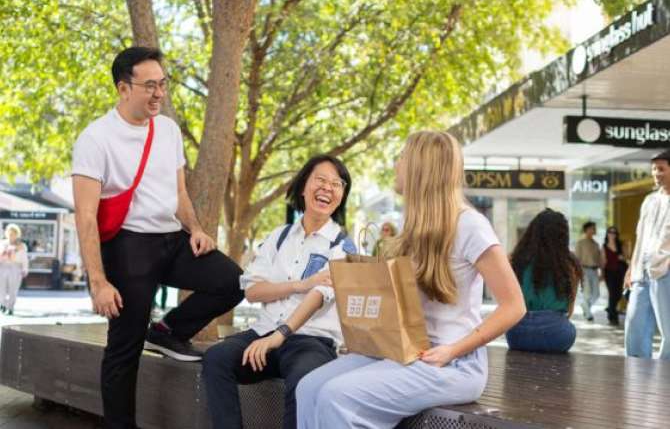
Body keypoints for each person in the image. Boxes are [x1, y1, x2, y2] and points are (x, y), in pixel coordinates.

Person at [295, 130, 526, 428]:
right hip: (406, 351)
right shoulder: (414, 227)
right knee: (308, 387)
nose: (396, 164)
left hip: (454, 363)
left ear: (420, 167)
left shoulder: (470, 225)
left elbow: (514, 306)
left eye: (402, 157)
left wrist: (453, 350)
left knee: (336, 396)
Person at [71, 47, 244, 428]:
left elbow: (178, 192)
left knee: (233, 281)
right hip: (128, 247)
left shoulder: (167, 129)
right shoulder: (95, 138)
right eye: (149, 86)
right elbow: (85, 216)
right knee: (125, 348)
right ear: (123, 88)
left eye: (163, 84)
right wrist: (98, 282)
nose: (159, 93)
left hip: (172, 239)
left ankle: (168, 331)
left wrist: (195, 229)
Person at [202, 155, 356, 429]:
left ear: (342, 196)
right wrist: (300, 284)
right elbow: (253, 291)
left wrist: (280, 334)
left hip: (311, 341)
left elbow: (319, 296)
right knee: (216, 358)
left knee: (304, 381)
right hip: (263, 332)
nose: (327, 188)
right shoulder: (279, 236)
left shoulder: (343, 247)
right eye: (321, 180)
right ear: (303, 186)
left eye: (337, 184)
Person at [505, 209, 582, 353]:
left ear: (531, 233)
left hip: (518, 334)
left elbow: (506, 302)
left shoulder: (514, 260)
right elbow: (569, 310)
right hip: (557, 335)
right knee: (569, 329)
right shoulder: (570, 263)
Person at [625, 150, 670, 360]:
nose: (656, 174)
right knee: (635, 324)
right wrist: (631, 268)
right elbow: (640, 236)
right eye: (653, 169)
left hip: (665, 270)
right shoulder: (649, 200)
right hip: (641, 270)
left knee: (668, 330)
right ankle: (636, 372)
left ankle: (665, 373)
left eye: (661, 169)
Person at [0, 224, 29, 316]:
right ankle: (3, 305)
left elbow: (24, 259)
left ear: (17, 234)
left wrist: (25, 269)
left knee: (13, 289)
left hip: (15, 267)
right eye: (9, 233)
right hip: (3, 267)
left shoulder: (21, 245)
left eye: (13, 233)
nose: (11, 235)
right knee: (1, 289)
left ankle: (10, 308)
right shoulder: (2, 243)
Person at [575, 221, 601, 321]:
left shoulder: (596, 244)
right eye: (592, 228)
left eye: (594, 228)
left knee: (596, 294)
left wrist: (601, 272)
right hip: (584, 270)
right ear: (586, 230)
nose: (594, 230)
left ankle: (584, 306)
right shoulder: (580, 243)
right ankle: (588, 314)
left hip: (594, 271)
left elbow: (599, 260)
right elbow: (576, 259)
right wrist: (578, 273)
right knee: (587, 293)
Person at [601, 226, 627, 326]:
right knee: (612, 294)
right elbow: (603, 261)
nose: (612, 234)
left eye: (614, 232)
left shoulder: (620, 245)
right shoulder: (604, 246)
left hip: (620, 272)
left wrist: (622, 257)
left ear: (616, 235)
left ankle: (610, 309)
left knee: (619, 293)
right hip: (609, 272)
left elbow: (626, 257)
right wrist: (602, 273)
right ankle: (613, 316)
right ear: (607, 234)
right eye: (610, 232)